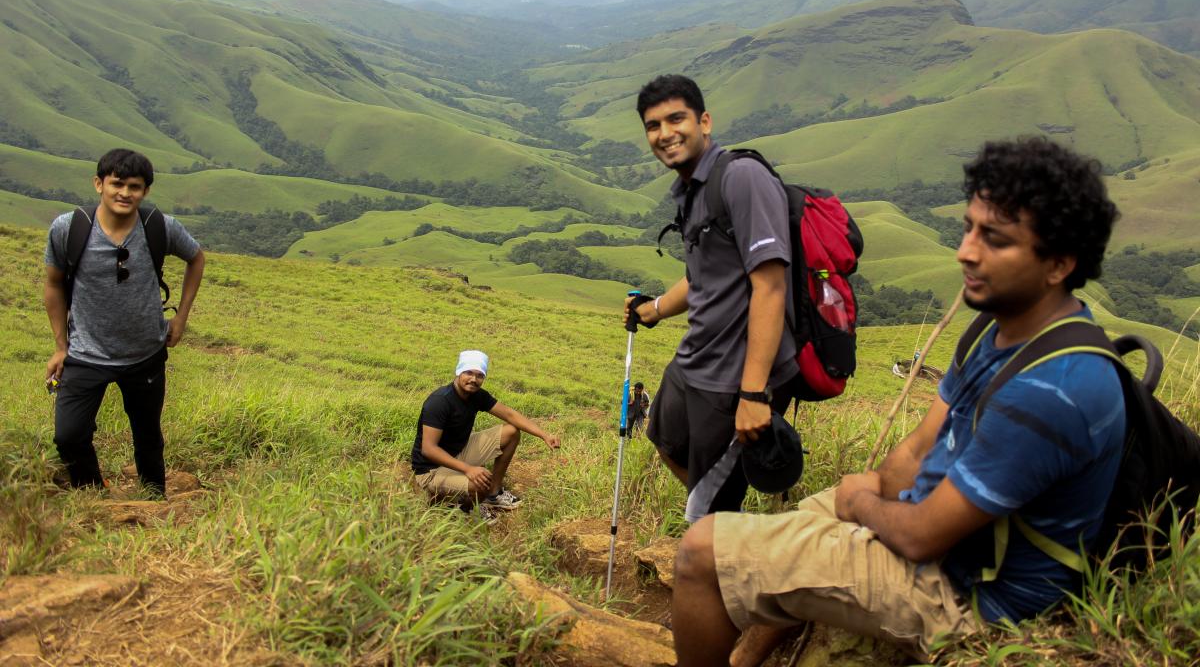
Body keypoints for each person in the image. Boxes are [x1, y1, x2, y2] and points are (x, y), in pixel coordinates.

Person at [669, 137, 1126, 666]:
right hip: (933, 534)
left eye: (995, 239)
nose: (966, 251)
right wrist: (877, 488)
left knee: (701, 553)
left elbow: (923, 537)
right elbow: (918, 447)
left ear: (1059, 265)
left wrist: (863, 504)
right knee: (787, 530)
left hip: (970, 600)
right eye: (969, 227)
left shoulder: (1055, 389)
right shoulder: (994, 327)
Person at [623, 75, 798, 522]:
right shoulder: (692, 188)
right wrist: (654, 310)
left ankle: (727, 550)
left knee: (708, 507)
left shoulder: (741, 178)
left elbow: (771, 286)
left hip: (732, 376)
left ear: (704, 120)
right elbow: (701, 277)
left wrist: (754, 393)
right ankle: (724, 523)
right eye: (653, 125)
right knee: (663, 437)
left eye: (676, 118)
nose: (665, 133)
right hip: (696, 359)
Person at [44, 148, 206, 497]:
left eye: (134, 186)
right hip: (85, 352)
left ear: (145, 191)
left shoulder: (158, 227)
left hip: (145, 351)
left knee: (147, 434)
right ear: (99, 184)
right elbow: (53, 284)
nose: (125, 193)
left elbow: (196, 259)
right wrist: (60, 346)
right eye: (117, 183)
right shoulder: (69, 229)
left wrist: (182, 316)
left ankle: (154, 499)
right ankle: (93, 494)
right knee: (68, 435)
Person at [410, 350, 561, 521]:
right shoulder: (439, 401)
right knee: (479, 483)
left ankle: (493, 494)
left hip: (458, 452)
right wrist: (468, 469)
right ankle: (465, 509)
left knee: (511, 432)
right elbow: (429, 450)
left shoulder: (477, 395)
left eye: (480, 375)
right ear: (459, 372)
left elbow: (510, 415)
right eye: (468, 373)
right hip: (431, 469)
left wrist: (544, 435)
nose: (474, 379)